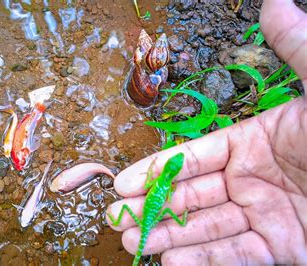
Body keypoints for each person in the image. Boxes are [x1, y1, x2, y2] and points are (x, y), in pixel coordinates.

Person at [106, 0, 307, 264]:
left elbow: (150, 186)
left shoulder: (160, 184)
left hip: (148, 216)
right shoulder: (166, 187)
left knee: (138, 231)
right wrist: (182, 216)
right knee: (146, 235)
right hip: (153, 215)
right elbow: (162, 194)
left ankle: (128, 233)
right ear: (173, 174)